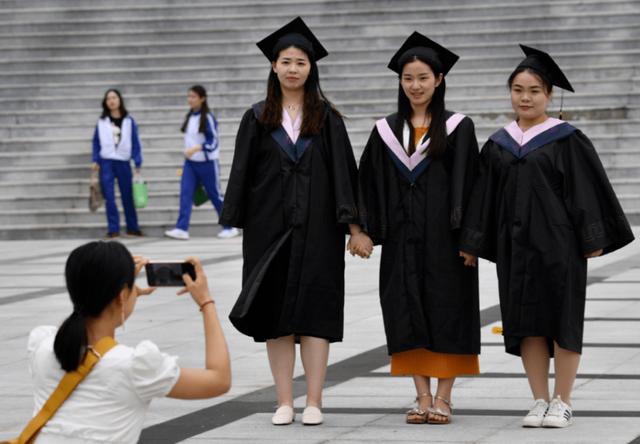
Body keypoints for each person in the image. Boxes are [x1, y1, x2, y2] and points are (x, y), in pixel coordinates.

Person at [459, 45, 635, 428]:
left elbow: (587, 191)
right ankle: (538, 399)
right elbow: (482, 196)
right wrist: (472, 243)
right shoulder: (497, 144)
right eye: (519, 89)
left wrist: (592, 237)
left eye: (535, 90)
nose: (525, 97)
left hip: (559, 245)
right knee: (525, 321)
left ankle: (563, 399)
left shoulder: (566, 139)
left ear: (549, 96)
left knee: (563, 319)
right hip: (514, 247)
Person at [220, 17, 369, 426]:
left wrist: (354, 227)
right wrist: (236, 218)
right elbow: (241, 173)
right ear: (273, 66)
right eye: (285, 61)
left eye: (300, 62)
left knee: (316, 312)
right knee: (276, 316)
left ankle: (315, 401)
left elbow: (345, 174)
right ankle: (284, 400)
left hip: (319, 230)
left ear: (311, 68)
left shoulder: (327, 118)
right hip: (269, 231)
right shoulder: (257, 118)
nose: (292, 68)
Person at [357, 32, 480, 425]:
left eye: (423, 77)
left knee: (448, 311)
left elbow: (474, 186)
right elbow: (365, 183)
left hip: (447, 242)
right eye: (408, 78)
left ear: (439, 79)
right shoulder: (385, 133)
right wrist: (360, 229)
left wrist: (471, 238)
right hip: (401, 239)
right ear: (400, 81)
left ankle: (444, 397)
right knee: (405, 309)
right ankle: (421, 395)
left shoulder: (459, 128)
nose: (415, 85)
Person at [25, 241, 231, 442]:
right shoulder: (133, 366)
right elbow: (219, 379)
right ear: (122, 295)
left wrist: (122, 295)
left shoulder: (44, 346)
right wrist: (206, 301)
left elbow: (86, 310)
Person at [165, 85, 239, 240]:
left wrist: (197, 148)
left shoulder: (208, 117)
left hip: (207, 163)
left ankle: (229, 226)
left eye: (193, 97)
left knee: (215, 195)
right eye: (189, 96)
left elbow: (214, 142)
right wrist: (189, 152)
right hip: (190, 164)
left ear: (202, 98)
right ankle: (181, 228)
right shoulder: (190, 116)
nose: (190, 99)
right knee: (186, 194)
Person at [91, 89, 143, 238]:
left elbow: (135, 142)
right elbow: (96, 142)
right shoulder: (101, 122)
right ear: (105, 102)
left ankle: (132, 227)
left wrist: (137, 160)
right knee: (109, 196)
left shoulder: (129, 121)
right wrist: (95, 160)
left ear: (119, 100)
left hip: (123, 161)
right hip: (106, 161)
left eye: (114, 97)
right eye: (108, 99)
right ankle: (113, 228)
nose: (112, 101)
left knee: (127, 195)